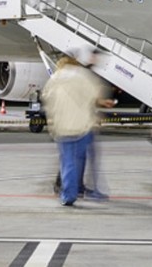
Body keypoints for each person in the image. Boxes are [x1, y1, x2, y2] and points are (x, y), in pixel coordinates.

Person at [40, 54, 112, 206]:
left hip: (62, 127)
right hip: (82, 126)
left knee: (67, 162)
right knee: (80, 160)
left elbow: (47, 99)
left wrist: (52, 124)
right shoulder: (83, 76)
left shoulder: (54, 79)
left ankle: (69, 194)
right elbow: (94, 96)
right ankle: (79, 189)